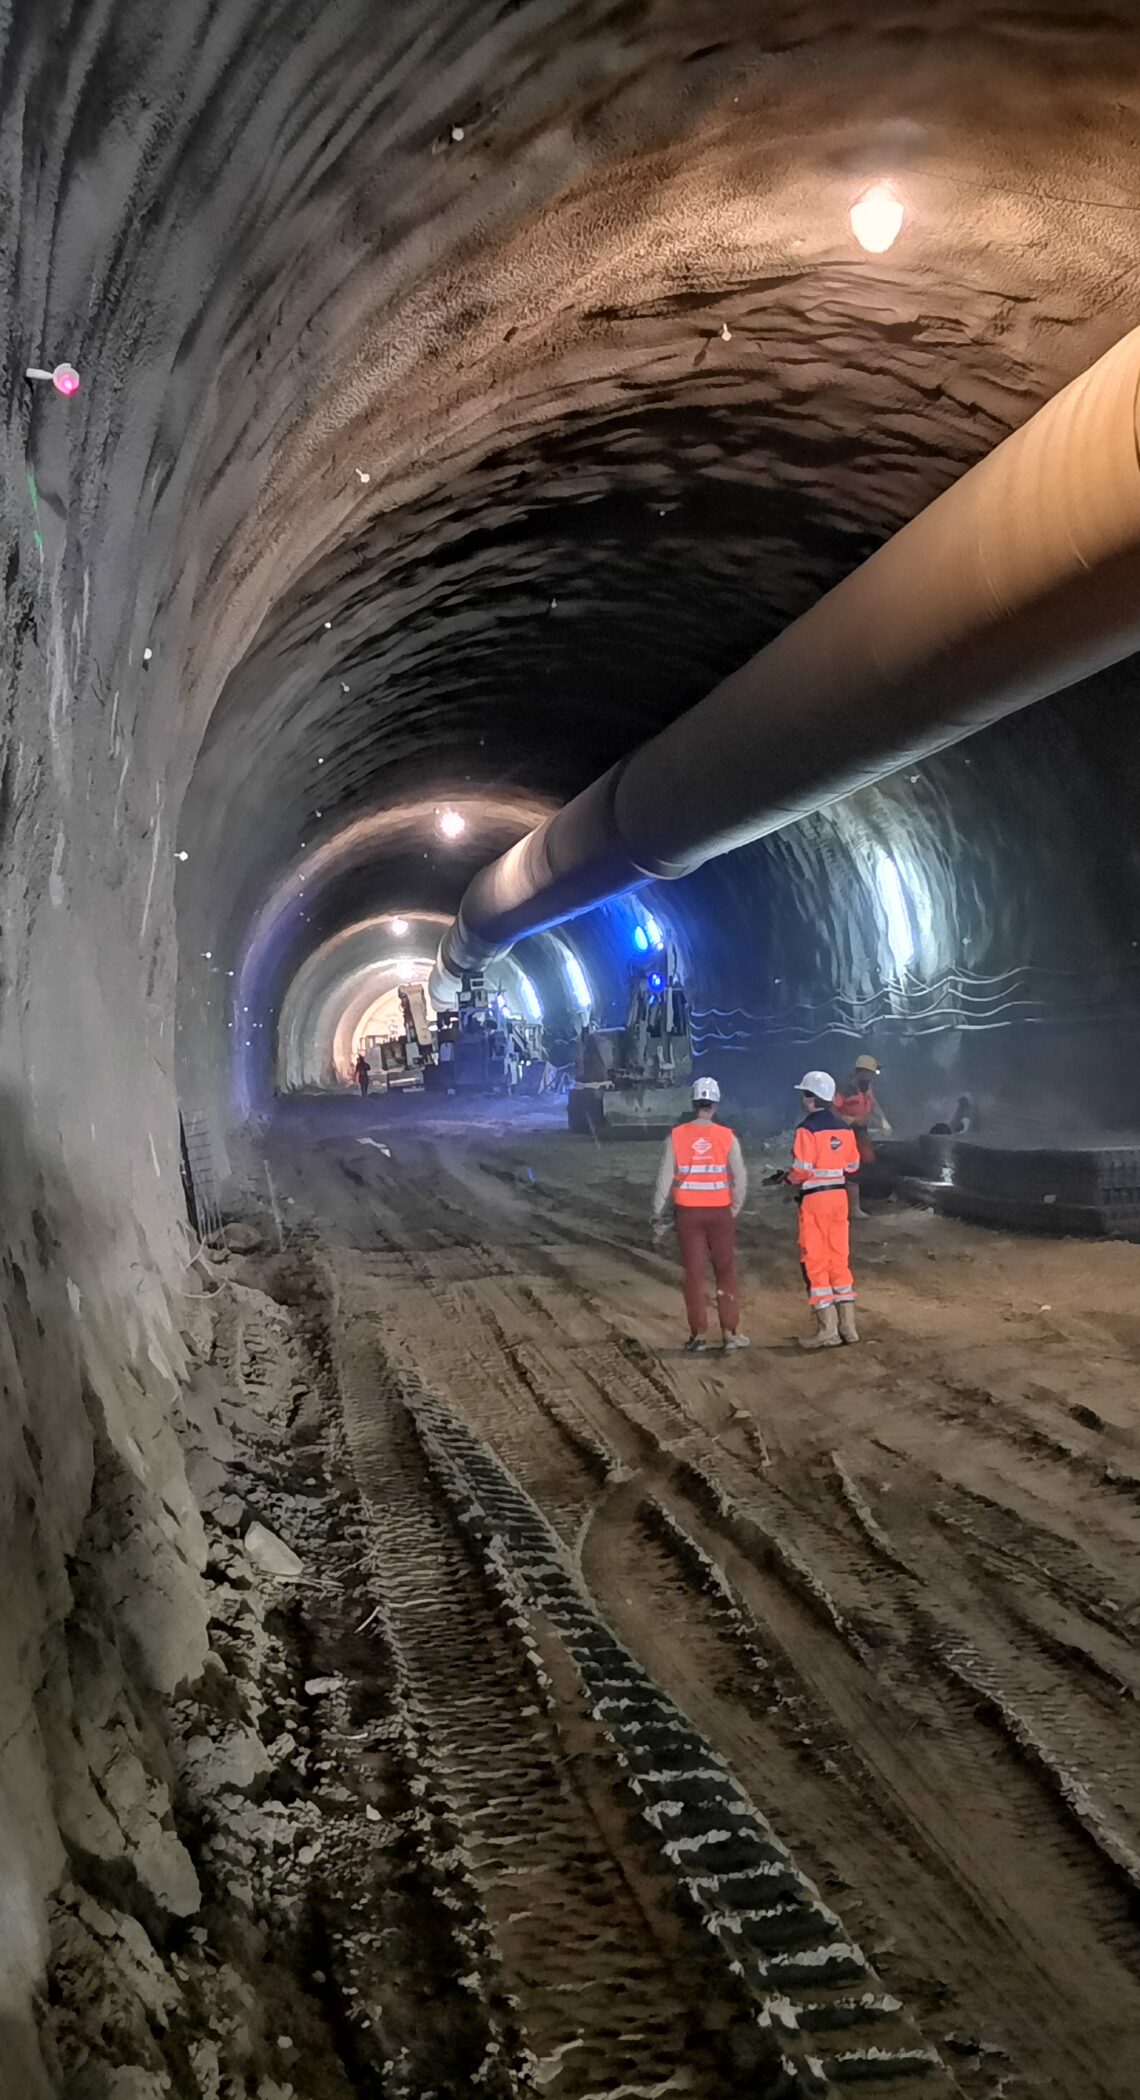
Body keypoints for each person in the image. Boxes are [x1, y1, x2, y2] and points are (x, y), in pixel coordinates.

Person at [652, 1076, 749, 1354]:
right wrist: (733, 1208)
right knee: (726, 1271)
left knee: (694, 1274)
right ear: (716, 1105)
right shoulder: (727, 1137)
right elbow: (740, 1178)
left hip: (688, 1215)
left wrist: (657, 1214)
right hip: (720, 1213)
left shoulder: (677, 1136)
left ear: (693, 1103)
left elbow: (664, 1180)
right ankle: (730, 1333)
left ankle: (699, 1336)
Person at [786, 1070, 861, 1349]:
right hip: (839, 1199)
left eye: (804, 1094)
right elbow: (852, 1166)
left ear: (811, 1098)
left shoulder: (806, 1129)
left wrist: (786, 1179)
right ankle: (849, 1328)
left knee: (815, 1261)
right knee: (839, 1259)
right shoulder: (845, 1128)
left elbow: (801, 1171)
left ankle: (827, 1330)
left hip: (815, 1200)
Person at [833, 1053, 891, 1219]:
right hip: (844, 1133)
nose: (873, 1076)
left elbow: (874, 1104)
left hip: (860, 1132)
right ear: (862, 1072)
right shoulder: (846, 1088)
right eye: (871, 1072)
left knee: (868, 1161)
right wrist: (849, 1120)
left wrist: (883, 1120)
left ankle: (858, 1200)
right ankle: (852, 1208)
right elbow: (832, 1109)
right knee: (851, 1169)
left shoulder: (866, 1087)